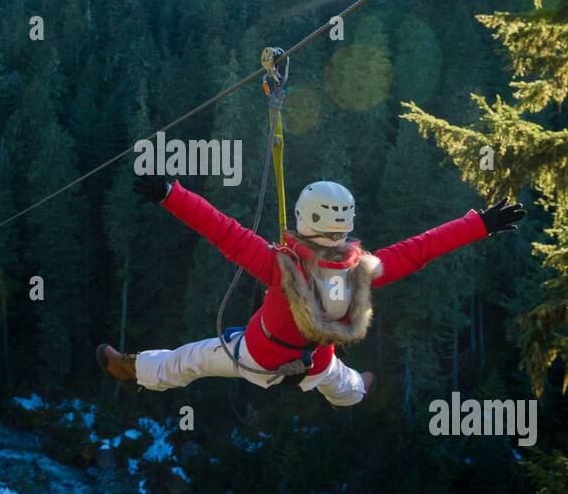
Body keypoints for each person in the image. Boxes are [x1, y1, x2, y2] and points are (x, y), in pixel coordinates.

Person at [96, 175, 525, 408]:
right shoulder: (363, 270)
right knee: (345, 386)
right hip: (315, 361)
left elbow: (221, 229)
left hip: (259, 355)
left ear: (305, 217)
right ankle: (360, 390)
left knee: (190, 360)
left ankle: (133, 372)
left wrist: (172, 194)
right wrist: (481, 225)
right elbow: (419, 249)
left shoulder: (280, 264)